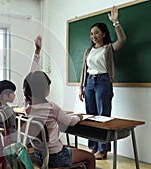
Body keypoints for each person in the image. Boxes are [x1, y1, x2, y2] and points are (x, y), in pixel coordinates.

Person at [78, 6, 126, 159]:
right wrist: (81, 87)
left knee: (103, 115)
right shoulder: (88, 51)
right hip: (89, 82)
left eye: (97, 33)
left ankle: (103, 149)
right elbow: (84, 70)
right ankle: (93, 146)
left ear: (104, 34)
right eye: (92, 33)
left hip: (103, 81)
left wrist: (115, 22)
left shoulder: (109, 48)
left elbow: (122, 40)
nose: (94, 36)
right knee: (90, 116)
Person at [23, 71, 95, 169]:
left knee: (69, 149)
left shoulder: (27, 107)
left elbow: (29, 83)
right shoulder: (51, 107)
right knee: (90, 157)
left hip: (39, 155)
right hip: (55, 157)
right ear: (44, 89)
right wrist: (80, 117)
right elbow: (71, 122)